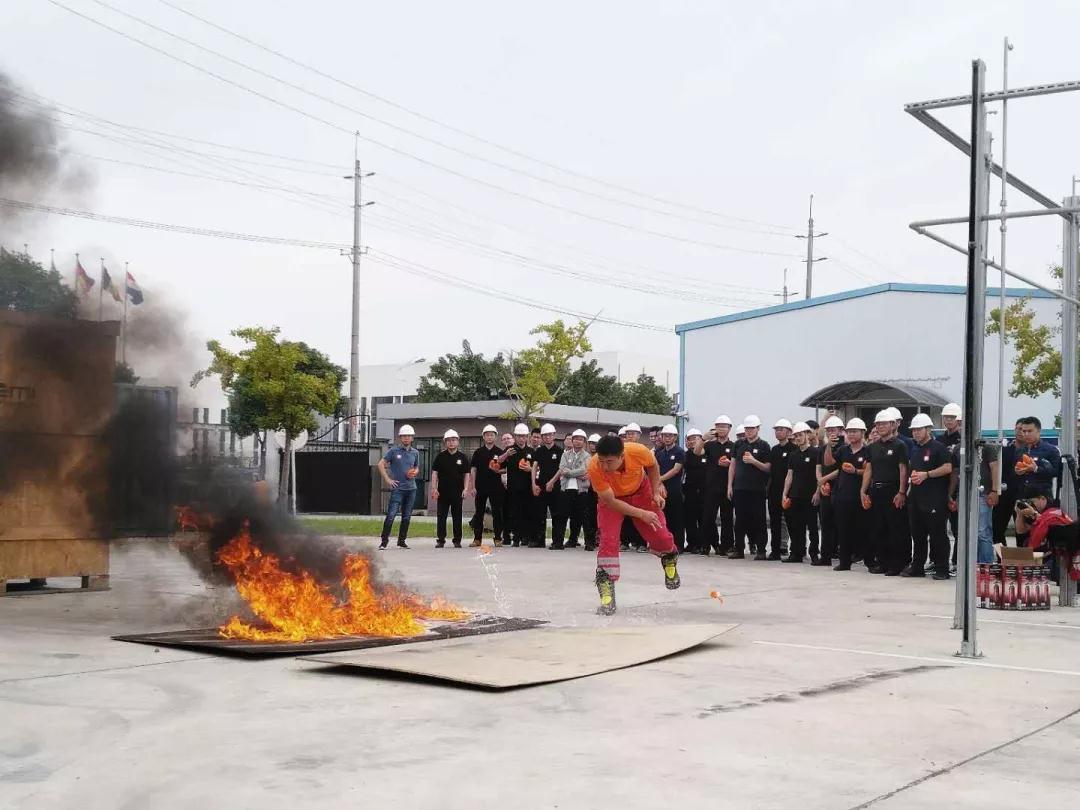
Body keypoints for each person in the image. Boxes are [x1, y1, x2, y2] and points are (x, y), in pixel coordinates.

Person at [588, 435, 680, 615]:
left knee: (660, 535)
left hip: (641, 491)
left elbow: (652, 466)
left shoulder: (638, 451)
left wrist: (655, 490)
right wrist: (641, 514)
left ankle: (669, 557)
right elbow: (612, 502)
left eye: (610, 462)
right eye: (602, 461)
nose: (605, 466)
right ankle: (606, 589)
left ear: (622, 456)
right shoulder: (594, 466)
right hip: (611, 501)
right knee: (608, 541)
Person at [904, 413, 953, 578]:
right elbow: (913, 473)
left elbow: (948, 468)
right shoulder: (915, 450)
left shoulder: (938, 448)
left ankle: (942, 569)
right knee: (917, 535)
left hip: (934, 499)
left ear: (928, 429)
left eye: (919, 429)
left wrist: (928, 474)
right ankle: (917, 567)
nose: (916, 433)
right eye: (914, 430)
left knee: (937, 535)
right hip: (916, 499)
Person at [861, 411, 910, 576]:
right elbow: (869, 469)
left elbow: (903, 469)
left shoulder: (900, 445)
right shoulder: (872, 447)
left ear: (892, 425)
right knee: (879, 528)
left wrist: (902, 491)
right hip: (877, 490)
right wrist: (863, 491)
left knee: (896, 528)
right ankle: (883, 562)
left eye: (884, 424)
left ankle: (897, 564)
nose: (880, 427)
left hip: (894, 490)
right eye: (878, 424)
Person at [947, 432, 1000, 565]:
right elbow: (955, 471)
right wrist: (950, 494)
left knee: (982, 531)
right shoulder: (958, 448)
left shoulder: (986, 446)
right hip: (963, 494)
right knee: (965, 532)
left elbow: (995, 468)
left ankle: (985, 566)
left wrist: (995, 491)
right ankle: (969, 565)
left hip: (983, 494)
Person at [728, 415, 771, 560]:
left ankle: (761, 550)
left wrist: (753, 461)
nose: (748, 431)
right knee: (739, 520)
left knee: (759, 520)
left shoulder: (764, 446)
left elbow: (767, 468)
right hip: (740, 488)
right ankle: (739, 548)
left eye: (752, 428)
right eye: (746, 428)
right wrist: (730, 485)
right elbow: (732, 466)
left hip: (757, 489)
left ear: (758, 429)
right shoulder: (738, 445)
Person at [831, 418, 870, 571]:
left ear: (862, 433)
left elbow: (870, 471)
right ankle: (844, 562)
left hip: (860, 496)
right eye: (849, 432)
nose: (851, 434)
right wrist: (829, 446)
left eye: (855, 431)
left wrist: (855, 471)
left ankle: (869, 561)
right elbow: (829, 462)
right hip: (843, 496)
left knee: (864, 530)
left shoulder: (868, 451)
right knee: (843, 530)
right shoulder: (843, 450)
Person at [377, 424, 420, 550]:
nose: (406, 438)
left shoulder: (415, 453)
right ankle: (384, 542)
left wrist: (415, 472)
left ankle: (401, 541)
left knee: (406, 516)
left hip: (411, 488)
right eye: (404, 436)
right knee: (391, 515)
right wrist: (388, 479)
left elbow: (416, 467)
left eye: (409, 436)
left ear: (412, 438)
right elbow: (380, 464)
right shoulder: (393, 451)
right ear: (400, 438)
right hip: (398, 489)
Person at [781, 422, 818, 563]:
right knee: (796, 526)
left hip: (810, 496)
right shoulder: (793, 455)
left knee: (813, 527)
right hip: (795, 495)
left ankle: (814, 554)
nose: (798, 438)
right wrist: (785, 493)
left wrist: (817, 492)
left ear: (807, 435)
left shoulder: (816, 453)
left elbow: (818, 475)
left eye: (800, 435)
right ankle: (796, 553)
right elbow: (789, 475)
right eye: (796, 436)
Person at [813, 415, 846, 566]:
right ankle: (825, 556)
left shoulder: (845, 447)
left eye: (834, 429)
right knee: (825, 524)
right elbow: (820, 466)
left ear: (841, 430)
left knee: (841, 525)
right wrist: (820, 484)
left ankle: (843, 556)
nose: (831, 432)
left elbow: (840, 469)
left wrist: (824, 479)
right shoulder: (823, 449)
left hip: (839, 489)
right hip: (825, 490)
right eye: (828, 430)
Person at [430, 429, 471, 548]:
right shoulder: (440, 456)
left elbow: (467, 474)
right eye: (448, 440)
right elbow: (434, 473)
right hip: (442, 492)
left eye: (453, 440)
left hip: (457, 492)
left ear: (458, 441)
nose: (451, 443)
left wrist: (466, 489)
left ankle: (457, 540)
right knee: (441, 516)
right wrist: (434, 488)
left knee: (457, 516)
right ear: (445, 442)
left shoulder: (462, 457)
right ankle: (441, 540)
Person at [704, 415, 736, 556]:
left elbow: (737, 465)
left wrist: (730, 464)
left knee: (727, 518)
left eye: (724, 426)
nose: (721, 429)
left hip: (727, 487)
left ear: (729, 428)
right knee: (708, 517)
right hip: (711, 486)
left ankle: (726, 546)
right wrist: (703, 438)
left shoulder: (734, 446)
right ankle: (710, 544)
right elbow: (697, 452)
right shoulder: (710, 445)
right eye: (719, 426)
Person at [500, 423, 537, 547]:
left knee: (527, 512)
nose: (522, 439)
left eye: (524, 436)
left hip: (527, 488)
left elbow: (537, 469)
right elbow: (496, 464)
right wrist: (505, 455)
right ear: (515, 436)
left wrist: (530, 469)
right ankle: (515, 538)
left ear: (527, 437)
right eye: (519, 436)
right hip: (513, 488)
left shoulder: (531, 451)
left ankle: (525, 537)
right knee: (514, 513)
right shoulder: (509, 450)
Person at [469, 425, 505, 548]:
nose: (489, 437)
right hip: (480, 487)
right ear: (483, 437)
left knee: (497, 513)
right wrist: (472, 486)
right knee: (479, 513)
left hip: (496, 487)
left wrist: (498, 471)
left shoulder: (500, 452)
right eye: (487, 435)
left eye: (492, 434)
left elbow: (505, 469)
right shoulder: (478, 452)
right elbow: (473, 470)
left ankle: (498, 538)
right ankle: (477, 539)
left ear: (495, 436)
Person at [533, 423, 566, 549]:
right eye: (545, 435)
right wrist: (533, 484)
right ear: (542, 437)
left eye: (549, 435)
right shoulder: (539, 451)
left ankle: (557, 542)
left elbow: (561, 469)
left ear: (554, 435)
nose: (547, 437)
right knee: (540, 514)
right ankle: (539, 541)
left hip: (555, 487)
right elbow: (535, 467)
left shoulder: (559, 451)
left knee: (556, 515)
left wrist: (552, 482)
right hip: (541, 486)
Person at [767, 418, 795, 560]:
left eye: (781, 429)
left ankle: (795, 550)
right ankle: (775, 550)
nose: (778, 432)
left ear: (789, 432)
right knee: (775, 522)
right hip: (774, 491)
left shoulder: (793, 449)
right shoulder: (774, 450)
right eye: (776, 430)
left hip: (789, 491)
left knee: (791, 521)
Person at [1015, 485, 1073, 553]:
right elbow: (1021, 531)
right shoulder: (1032, 511)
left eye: (1032, 501)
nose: (1030, 505)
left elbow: (1049, 523)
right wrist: (1019, 514)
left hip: (1053, 549)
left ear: (1042, 498)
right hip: (1037, 549)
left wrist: (1034, 514)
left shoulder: (1055, 507)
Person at [559, 429, 591, 549]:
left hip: (581, 490)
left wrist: (569, 472)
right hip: (566, 489)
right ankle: (571, 540)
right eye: (576, 439)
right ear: (572, 441)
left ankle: (589, 542)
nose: (578, 442)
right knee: (565, 516)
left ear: (584, 442)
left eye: (581, 439)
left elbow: (584, 470)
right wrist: (574, 473)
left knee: (582, 517)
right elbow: (562, 469)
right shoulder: (565, 454)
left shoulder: (587, 456)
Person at [656, 424, 686, 552]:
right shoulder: (659, 453)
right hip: (661, 489)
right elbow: (655, 469)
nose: (667, 438)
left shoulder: (679, 452)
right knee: (663, 517)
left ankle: (678, 545)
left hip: (674, 489)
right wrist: (659, 482)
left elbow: (676, 470)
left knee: (677, 518)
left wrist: (659, 479)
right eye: (665, 436)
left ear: (675, 437)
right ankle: (664, 545)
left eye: (670, 436)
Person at [682, 428, 708, 554]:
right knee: (689, 518)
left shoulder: (707, 453)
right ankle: (692, 543)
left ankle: (703, 543)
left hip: (704, 490)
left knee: (703, 518)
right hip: (689, 489)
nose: (692, 441)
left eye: (695, 438)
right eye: (690, 439)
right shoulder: (685, 455)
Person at [584, 434, 602, 551]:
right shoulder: (585, 457)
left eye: (595, 444)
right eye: (591, 443)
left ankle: (597, 539)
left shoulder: (602, 458)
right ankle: (588, 541)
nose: (593, 446)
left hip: (600, 491)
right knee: (587, 516)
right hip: (587, 490)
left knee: (598, 517)